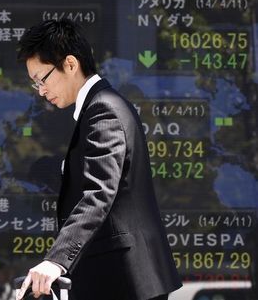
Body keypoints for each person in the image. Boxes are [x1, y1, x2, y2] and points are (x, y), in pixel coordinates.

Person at [16, 19, 182, 300]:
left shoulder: (103, 109)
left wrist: (56, 261)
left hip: (124, 281)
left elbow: (99, 192)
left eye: (41, 79)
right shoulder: (101, 107)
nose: (41, 91)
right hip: (120, 278)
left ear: (70, 64)